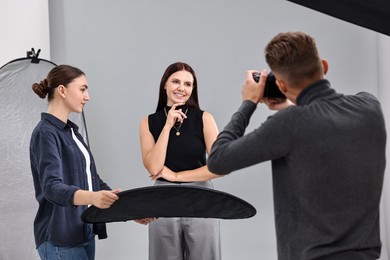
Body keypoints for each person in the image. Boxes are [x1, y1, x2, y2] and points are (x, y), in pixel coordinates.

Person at [207, 32, 386, 260]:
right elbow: (325, 120)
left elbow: (218, 159)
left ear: (281, 85)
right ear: (324, 66)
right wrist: (289, 104)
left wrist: (248, 103)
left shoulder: (287, 125)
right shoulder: (370, 107)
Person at [30, 64, 121, 260]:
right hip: (59, 238)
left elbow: (92, 181)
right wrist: (92, 198)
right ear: (62, 90)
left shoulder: (71, 133)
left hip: (83, 230)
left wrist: (128, 210)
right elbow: (52, 187)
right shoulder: (45, 133)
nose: (87, 96)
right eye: (82, 89)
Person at [139, 62, 221, 260]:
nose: (181, 88)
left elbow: (220, 165)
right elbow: (153, 166)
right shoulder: (148, 122)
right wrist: (167, 126)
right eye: (176, 81)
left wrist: (176, 176)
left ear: (193, 89)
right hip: (163, 199)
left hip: (200, 196)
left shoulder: (204, 118)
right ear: (164, 85)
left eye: (187, 84)